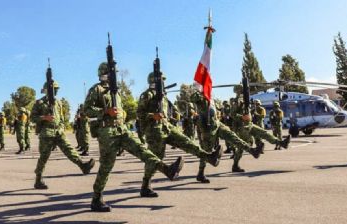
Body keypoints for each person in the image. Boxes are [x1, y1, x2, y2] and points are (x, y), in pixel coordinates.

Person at [84, 62, 184, 212]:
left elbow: (121, 111)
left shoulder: (115, 91)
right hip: (107, 132)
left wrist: (121, 115)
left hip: (122, 130)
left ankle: (168, 170)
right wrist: (105, 111)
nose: (115, 75)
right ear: (105, 74)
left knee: (143, 151)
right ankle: (96, 199)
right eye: (112, 73)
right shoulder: (96, 89)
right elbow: (87, 110)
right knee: (106, 166)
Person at [137, 71, 221, 197]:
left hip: (166, 127)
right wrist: (152, 115)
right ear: (154, 81)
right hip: (154, 131)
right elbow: (139, 114)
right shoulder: (146, 95)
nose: (164, 82)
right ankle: (145, 185)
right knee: (155, 158)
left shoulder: (163, 96)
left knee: (187, 142)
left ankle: (209, 157)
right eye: (161, 80)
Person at [31, 81, 96, 190]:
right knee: (44, 157)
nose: (56, 91)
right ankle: (38, 179)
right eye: (54, 89)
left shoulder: (58, 102)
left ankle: (83, 166)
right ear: (48, 90)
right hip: (46, 132)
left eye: (57, 89)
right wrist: (44, 118)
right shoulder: (39, 103)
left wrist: (61, 127)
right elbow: (32, 118)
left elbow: (61, 118)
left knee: (69, 150)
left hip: (58, 132)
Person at [191, 89, 263, 183]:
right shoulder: (199, 99)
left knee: (233, 137)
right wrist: (200, 93)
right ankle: (200, 173)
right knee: (206, 151)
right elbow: (192, 98)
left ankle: (252, 150)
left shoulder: (210, 98)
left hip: (217, 123)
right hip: (208, 128)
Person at [231, 85, 290, 172]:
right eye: (241, 89)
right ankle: (235, 165)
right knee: (243, 146)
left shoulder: (244, 99)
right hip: (242, 127)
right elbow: (233, 114)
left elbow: (247, 112)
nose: (244, 90)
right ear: (237, 90)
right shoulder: (236, 101)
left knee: (263, 133)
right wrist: (242, 117)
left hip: (249, 124)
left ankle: (281, 143)